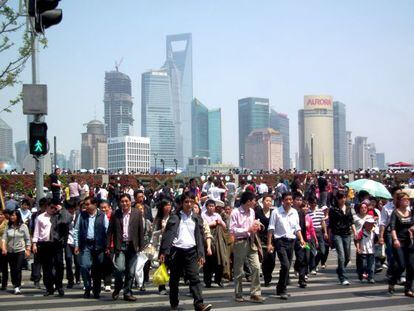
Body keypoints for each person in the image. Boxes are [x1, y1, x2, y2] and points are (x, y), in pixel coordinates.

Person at [159, 192, 212, 311]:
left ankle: (199, 305)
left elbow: (199, 237)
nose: (189, 204)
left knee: (195, 278)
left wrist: (201, 254)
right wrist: (163, 252)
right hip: (176, 252)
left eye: (191, 202)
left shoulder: (197, 218)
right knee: (174, 280)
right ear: (182, 203)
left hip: (191, 252)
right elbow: (167, 235)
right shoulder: (175, 216)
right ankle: (174, 304)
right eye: (186, 202)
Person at [267, 192, 306, 300]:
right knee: (285, 265)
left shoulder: (294, 212)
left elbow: (297, 227)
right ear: (282, 201)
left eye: (290, 199)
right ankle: (282, 289)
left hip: (291, 241)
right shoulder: (276, 212)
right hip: (280, 241)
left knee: (287, 266)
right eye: (286, 199)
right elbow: (271, 228)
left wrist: (301, 239)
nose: (289, 201)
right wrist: (269, 243)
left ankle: (280, 287)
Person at [106, 193, 144, 302]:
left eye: (126, 201)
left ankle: (127, 292)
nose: (124, 203)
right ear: (119, 203)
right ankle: (117, 288)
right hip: (120, 245)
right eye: (122, 201)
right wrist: (108, 245)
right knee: (120, 269)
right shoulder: (115, 214)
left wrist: (141, 245)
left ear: (130, 202)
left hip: (133, 245)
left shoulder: (137, 213)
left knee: (131, 272)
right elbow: (110, 231)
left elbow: (140, 230)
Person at [230, 191, 264, 303]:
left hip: (251, 240)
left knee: (256, 267)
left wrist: (256, 225)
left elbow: (252, 223)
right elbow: (232, 229)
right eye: (254, 200)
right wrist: (247, 230)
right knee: (239, 270)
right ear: (249, 201)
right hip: (240, 242)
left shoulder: (252, 211)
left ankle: (255, 293)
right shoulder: (235, 212)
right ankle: (238, 293)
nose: (255, 202)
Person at [74, 196, 109, 299]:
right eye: (85, 204)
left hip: (99, 245)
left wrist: (107, 246)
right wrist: (76, 245)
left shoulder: (102, 216)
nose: (86, 206)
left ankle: (96, 290)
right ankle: (87, 287)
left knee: (97, 269)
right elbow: (76, 230)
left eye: (88, 204)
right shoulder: (82, 215)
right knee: (84, 266)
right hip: (86, 245)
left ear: (95, 205)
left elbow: (107, 231)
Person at [388, 192, 414, 297]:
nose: (407, 200)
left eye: (408, 198)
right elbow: (392, 228)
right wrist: (395, 240)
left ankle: (408, 289)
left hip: (410, 242)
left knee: (411, 266)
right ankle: (392, 281)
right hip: (399, 242)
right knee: (401, 265)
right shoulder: (395, 213)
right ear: (399, 201)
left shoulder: (411, 212)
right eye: (404, 199)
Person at [328, 192, 357, 285]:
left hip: (347, 234)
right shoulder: (333, 210)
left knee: (348, 257)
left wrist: (355, 232)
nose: (343, 200)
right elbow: (330, 225)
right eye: (341, 198)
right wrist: (329, 237)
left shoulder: (349, 209)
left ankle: (340, 269)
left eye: (344, 197)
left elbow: (351, 221)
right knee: (341, 256)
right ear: (337, 199)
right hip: (337, 234)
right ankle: (343, 277)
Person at [1, 210, 31, 294]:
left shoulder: (23, 226)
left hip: (20, 251)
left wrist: (28, 249)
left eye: (13, 215)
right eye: (11, 216)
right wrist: (4, 248)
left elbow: (27, 239)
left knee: (18, 268)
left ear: (18, 216)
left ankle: (17, 286)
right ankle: (15, 284)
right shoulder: (8, 226)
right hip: (10, 251)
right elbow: (4, 238)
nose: (11, 217)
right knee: (13, 269)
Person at [202, 199, 227, 288]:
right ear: (206, 207)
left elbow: (225, 227)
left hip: (218, 240)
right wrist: (212, 223)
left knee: (219, 259)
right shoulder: (203, 215)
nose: (211, 208)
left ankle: (218, 279)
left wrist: (220, 222)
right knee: (208, 261)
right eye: (209, 206)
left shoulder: (217, 215)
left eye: (213, 206)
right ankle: (207, 281)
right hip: (207, 238)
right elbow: (203, 226)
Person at [152, 199, 172, 295]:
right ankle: (162, 287)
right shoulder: (158, 219)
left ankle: (172, 286)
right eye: (166, 205)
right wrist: (162, 231)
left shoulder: (173, 217)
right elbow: (153, 233)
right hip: (161, 245)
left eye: (169, 205)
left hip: (172, 245)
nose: (168, 207)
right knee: (163, 266)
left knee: (172, 266)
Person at [255, 194, 275, 287]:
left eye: (270, 201)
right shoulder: (258, 212)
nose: (268, 202)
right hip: (261, 239)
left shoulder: (274, 212)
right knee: (265, 258)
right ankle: (266, 278)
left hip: (272, 239)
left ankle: (269, 274)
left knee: (272, 260)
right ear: (262, 202)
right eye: (266, 200)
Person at [307, 197, 328, 275]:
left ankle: (314, 264)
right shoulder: (307, 212)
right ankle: (312, 267)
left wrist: (325, 232)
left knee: (322, 251)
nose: (313, 204)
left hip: (319, 232)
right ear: (309, 204)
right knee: (312, 251)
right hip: (311, 232)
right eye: (312, 203)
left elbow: (323, 222)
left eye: (315, 203)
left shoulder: (320, 211)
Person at [355, 217, 377, 283]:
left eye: (372, 224)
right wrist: (358, 248)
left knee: (371, 266)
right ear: (365, 225)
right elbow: (358, 240)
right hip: (363, 251)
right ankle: (361, 274)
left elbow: (376, 241)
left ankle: (371, 278)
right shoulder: (361, 232)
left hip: (371, 251)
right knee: (363, 265)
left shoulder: (374, 233)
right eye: (368, 224)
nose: (370, 226)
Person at [0, 210, 8, 290]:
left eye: (1, 214)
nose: (0, 216)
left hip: (4, 247)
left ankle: (4, 283)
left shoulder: (7, 223)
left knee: (4, 267)